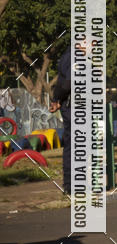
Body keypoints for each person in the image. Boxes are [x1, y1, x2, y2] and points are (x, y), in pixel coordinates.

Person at [49, 47, 72, 195]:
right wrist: (57, 99)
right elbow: (68, 84)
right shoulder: (74, 57)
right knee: (74, 144)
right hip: (72, 108)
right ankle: (71, 186)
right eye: (91, 43)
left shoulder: (70, 56)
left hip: (73, 106)